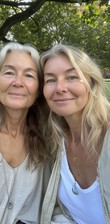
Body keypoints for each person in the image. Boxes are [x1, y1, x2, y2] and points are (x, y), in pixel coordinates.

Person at [0, 42, 51, 224]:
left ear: (39, 89)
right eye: (9, 72)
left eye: (29, 75)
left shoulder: (48, 142)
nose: (18, 82)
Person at [40, 44, 110, 224]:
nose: (60, 88)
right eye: (50, 80)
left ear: (92, 83)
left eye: (71, 77)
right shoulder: (54, 142)